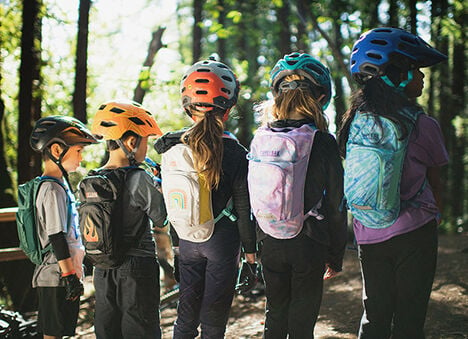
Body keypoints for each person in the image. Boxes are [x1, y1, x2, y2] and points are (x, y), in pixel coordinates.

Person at [337, 27, 449, 339]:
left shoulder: (353, 121)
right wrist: (434, 216)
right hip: (414, 230)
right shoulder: (422, 124)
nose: (422, 77)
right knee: (410, 316)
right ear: (398, 75)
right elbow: (436, 180)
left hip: (368, 232)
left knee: (375, 313)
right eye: (416, 70)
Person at [154, 58, 257, 339]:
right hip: (222, 242)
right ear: (229, 107)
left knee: (185, 318)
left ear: (188, 107)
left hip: (187, 241)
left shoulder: (173, 146)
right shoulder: (236, 152)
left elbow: (173, 205)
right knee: (213, 321)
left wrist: (177, 247)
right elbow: (244, 208)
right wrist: (250, 257)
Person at [250, 52, 348, 338]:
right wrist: (336, 253)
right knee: (302, 320)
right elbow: (335, 203)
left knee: (276, 313)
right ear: (320, 98)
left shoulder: (261, 137)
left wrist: (252, 242)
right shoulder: (322, 140)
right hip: (308, 240)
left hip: (269, 238)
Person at [89, 100, 167, 339]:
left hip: (102, 267)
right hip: (136, 267)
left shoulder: (93, 179)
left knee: (108, 329)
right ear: (131, 142)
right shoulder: (139, 178)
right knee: (141, 329)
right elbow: (161, 217)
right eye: (145, 141)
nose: (146, 149)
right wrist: (161, 187)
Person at [29, 116, 98, 339]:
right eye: (78, 150)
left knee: (60, 333)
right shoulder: (51, 189)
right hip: (56, 276)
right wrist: (69, 276)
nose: (81, 157)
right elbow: (56, 235)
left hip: (63, 274)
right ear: (57, 149)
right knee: (53, 335)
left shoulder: (59, 185)